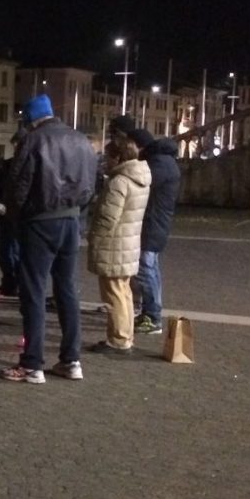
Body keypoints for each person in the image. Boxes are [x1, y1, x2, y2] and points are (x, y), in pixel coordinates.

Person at [0, 93, 98, 384]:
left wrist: (12, 216)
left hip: (40, 221)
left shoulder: (34, 140)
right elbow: (92, 184)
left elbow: (19, 184)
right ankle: (71, 360)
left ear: (30, 118)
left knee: (34, 292)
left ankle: (32, 364)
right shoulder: (81, 140)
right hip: (71, 220)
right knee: (66, 290)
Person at [110, 119, 181, 336]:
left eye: (129, 144)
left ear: (138, 145)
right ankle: (151, 313)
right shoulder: (163, 161)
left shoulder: (157, 164)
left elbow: (141, 184)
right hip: (156, 222)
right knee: (151, 269)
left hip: (152, 223)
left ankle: (153, 317)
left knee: (146, 269)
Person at [86, 132, 151, 354]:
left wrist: (93, 235)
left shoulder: (119, 182)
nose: (105, 161)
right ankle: (125, 336)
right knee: (123, 292)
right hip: (128, 243)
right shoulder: (140, 177)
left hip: (114, 245)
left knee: (114, 294)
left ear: (118, 158)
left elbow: (107, 217)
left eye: (108, 157)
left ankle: (119, 340)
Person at [0, 129, 26, 296]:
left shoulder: (29, 166)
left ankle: (19, 284)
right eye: (15, 144)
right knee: (4, 253)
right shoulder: (6, 165)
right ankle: (8, 282)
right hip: (4, 216)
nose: (16, 147)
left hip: (19, 217)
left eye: (19, 144)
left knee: (18, 253)